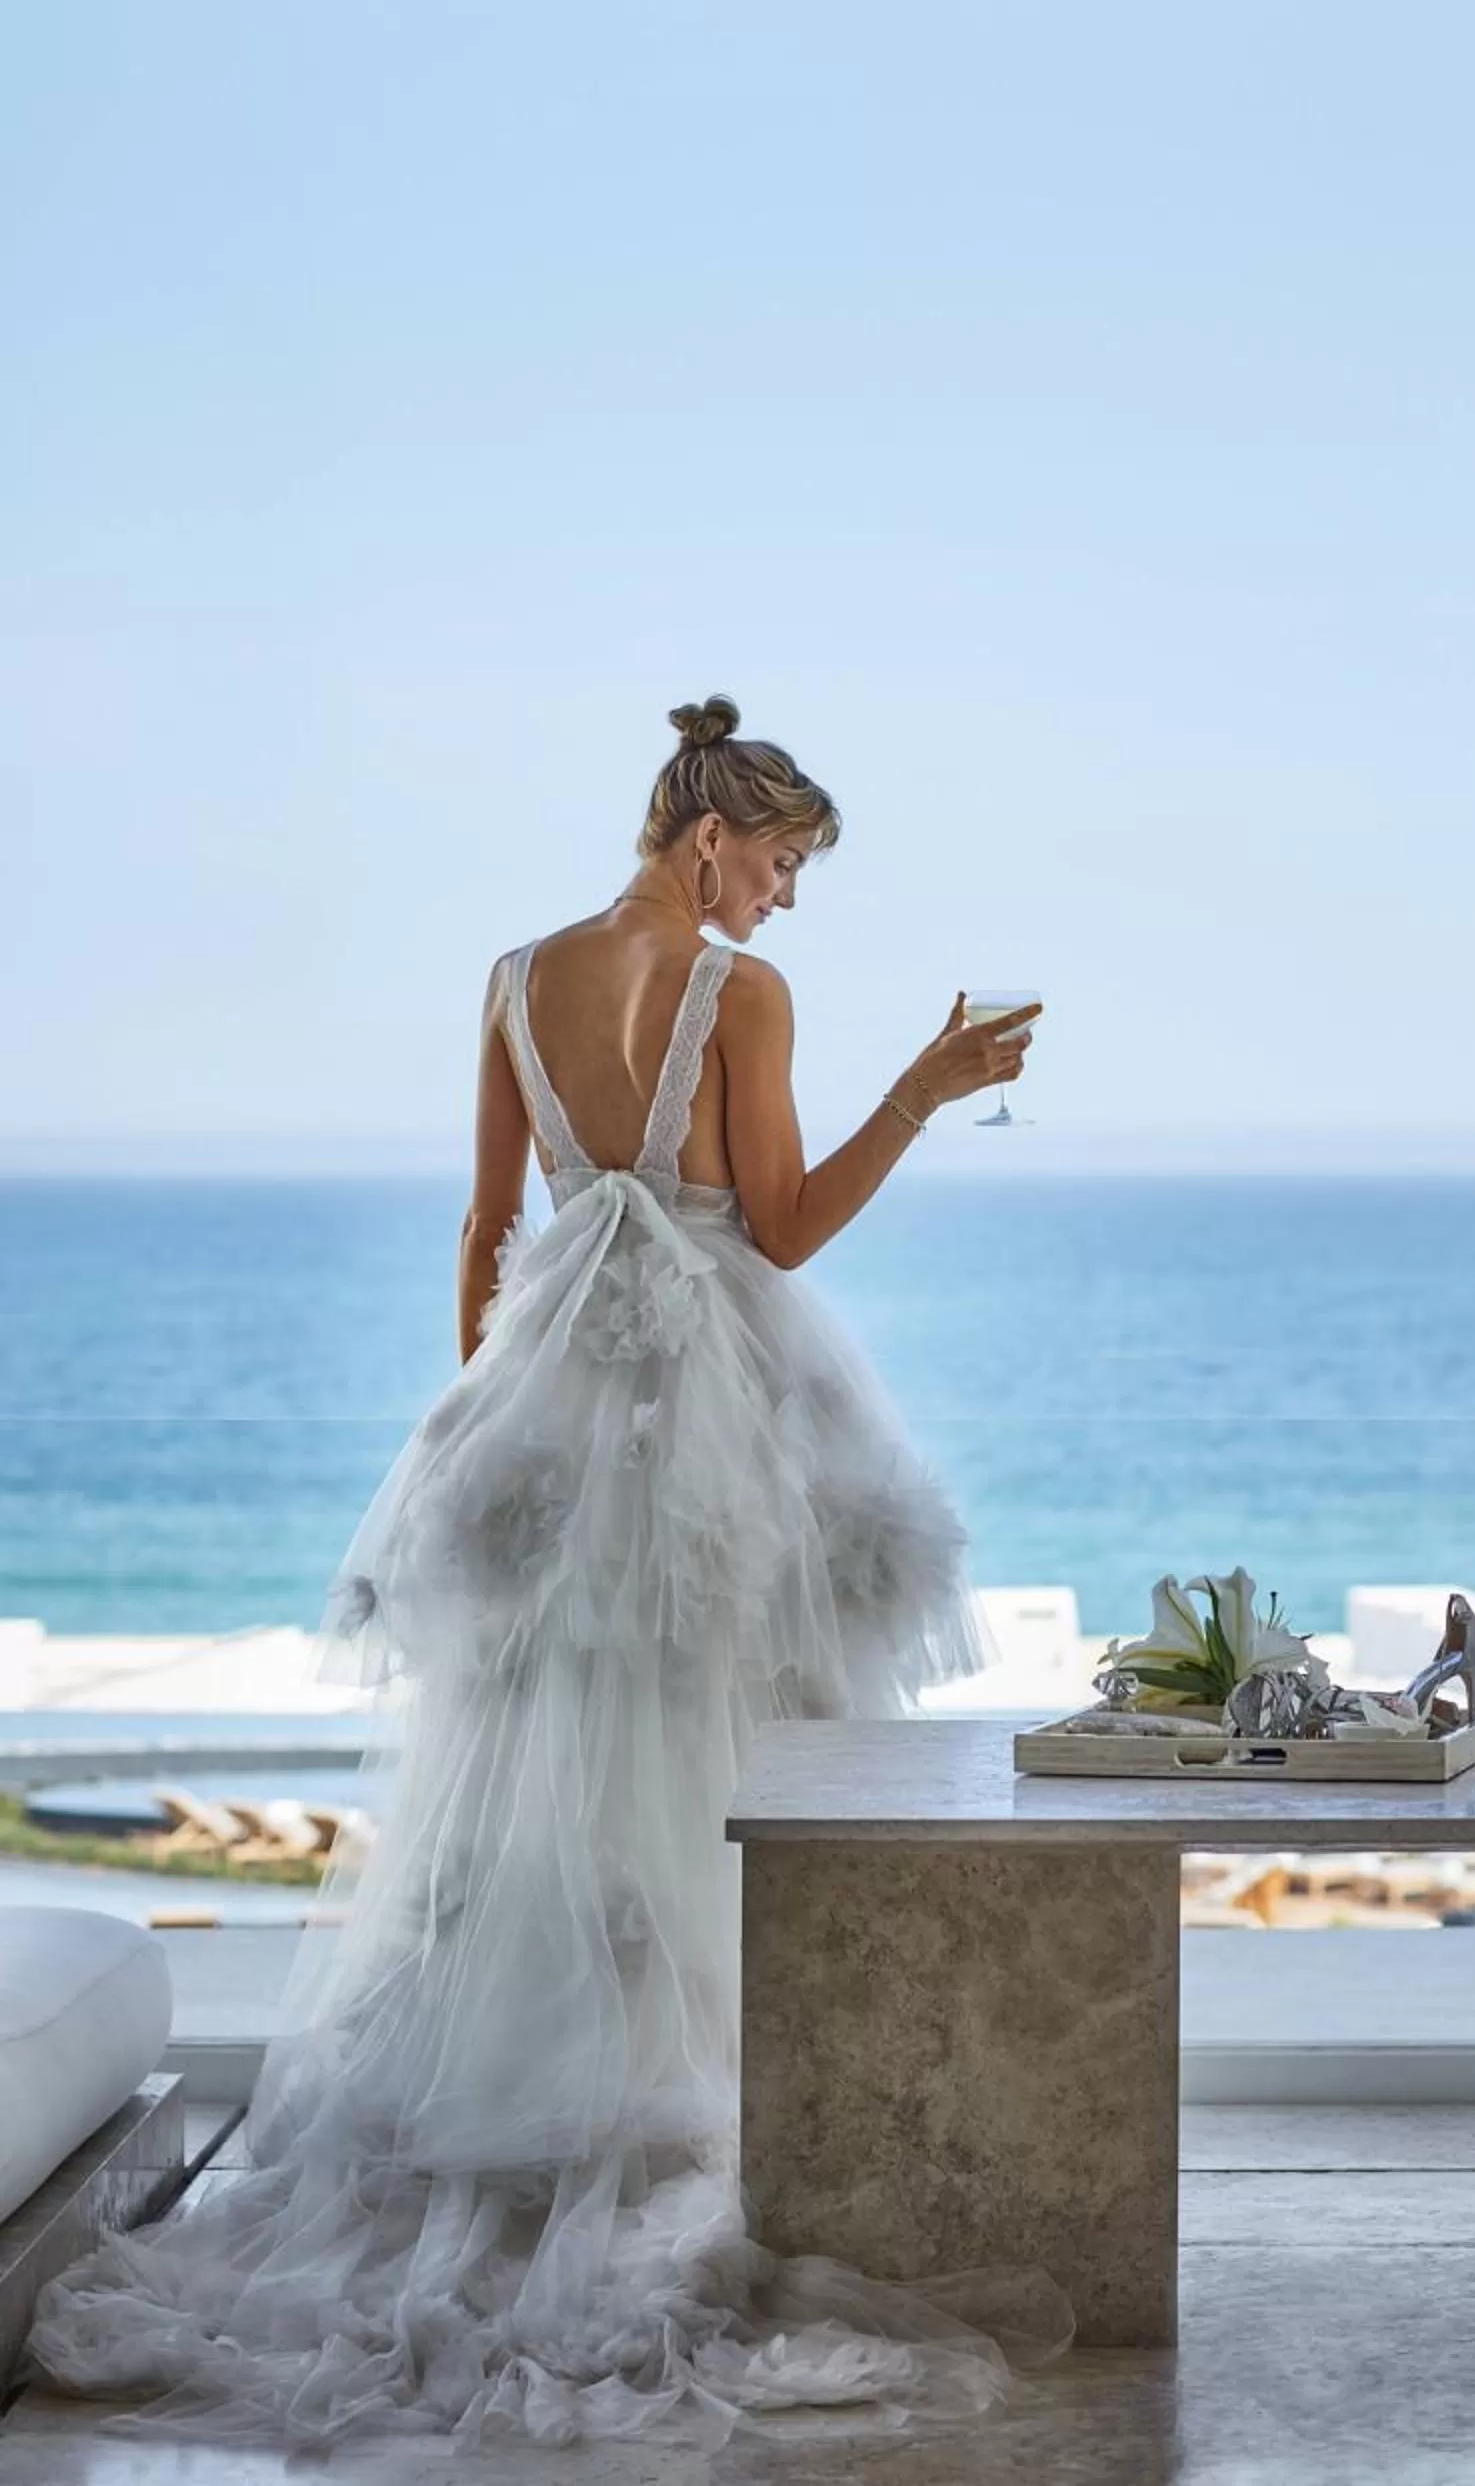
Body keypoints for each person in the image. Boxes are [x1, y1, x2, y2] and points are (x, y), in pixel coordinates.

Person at [31, 695, 1062, 2452]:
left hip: (543, 1421)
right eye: (787, 863)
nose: (788, 904)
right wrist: (928, 1085)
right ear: (713, 835)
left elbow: (485, 1227)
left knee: (536, 1784)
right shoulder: (745, 996)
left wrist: (478, 1435)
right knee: (739, 1759)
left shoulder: (513, 975)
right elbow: (789, 1225)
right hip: (719, 1423)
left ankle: (532, 2122)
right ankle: (720, 2128)